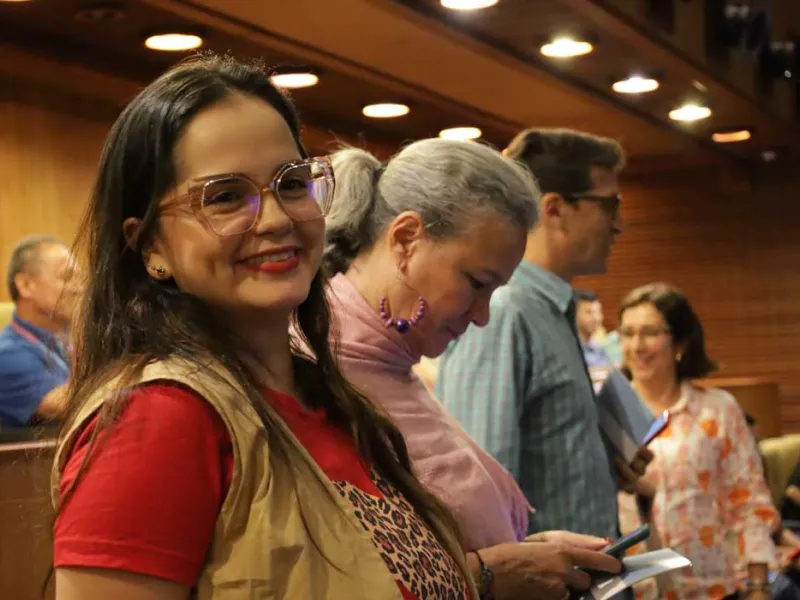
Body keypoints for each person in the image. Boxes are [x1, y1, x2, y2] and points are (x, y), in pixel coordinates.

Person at [51, 56, 474, 600]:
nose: (276, 219)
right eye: (226, 197)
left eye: (292, 183)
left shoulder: (331, 400)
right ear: (150, 245)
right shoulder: (157, 420)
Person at [323, 140, 622, 600]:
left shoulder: (390, 361)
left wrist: (527, 555)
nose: (482, 314)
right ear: (406, 240)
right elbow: (331, 576)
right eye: (476, 284)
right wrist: (489, 574)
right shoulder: (313, 370)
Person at [437, 127, 650, 541]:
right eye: (610, 205)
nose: (620, 223)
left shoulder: (552, 309)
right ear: (554, 209)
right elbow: (479, 491)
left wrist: (599, 463)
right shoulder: (504, 313)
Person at [617, 282, 777, 600]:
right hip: (633, 590)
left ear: (680, 342)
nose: (636, 345)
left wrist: (759, 586)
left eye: (649, 332)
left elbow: (749, 502)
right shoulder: (607, 412)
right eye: (627, 333)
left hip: (713, 588)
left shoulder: (717, 409)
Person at [0, 235, 80, 427]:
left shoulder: (60, 340)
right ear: (26, 285)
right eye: (67, 277)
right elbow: (71, 405)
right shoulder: (8, 355)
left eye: (80, 278)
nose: (80, 288)